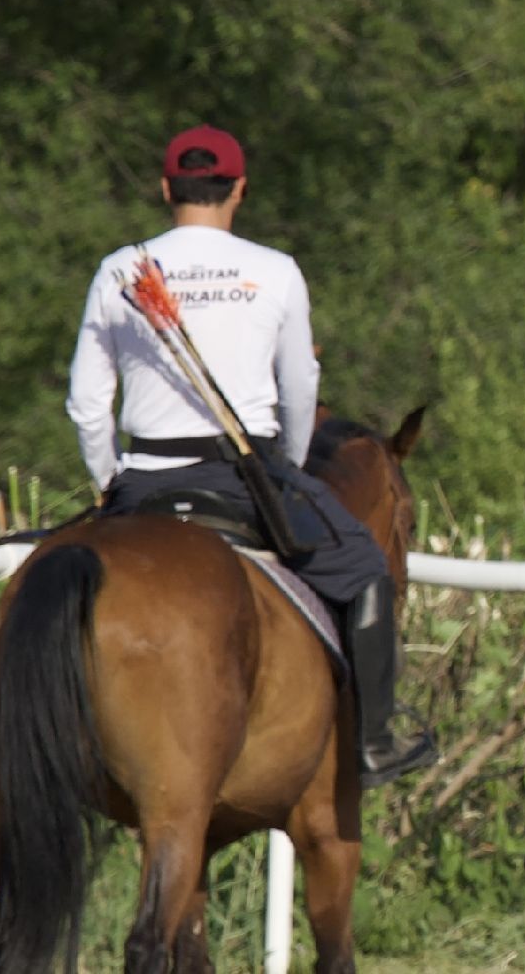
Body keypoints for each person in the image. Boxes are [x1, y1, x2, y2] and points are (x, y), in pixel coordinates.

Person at [65, 123, 436, 788]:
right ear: (239, 188)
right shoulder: (274, 272)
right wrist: (287, 469)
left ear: (166, 189)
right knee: (365, 569)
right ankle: (373, 743)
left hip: (142, 483)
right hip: (246, 481)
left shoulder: (119, 270)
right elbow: (300, 388)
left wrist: (108, 482)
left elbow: (87, 404)